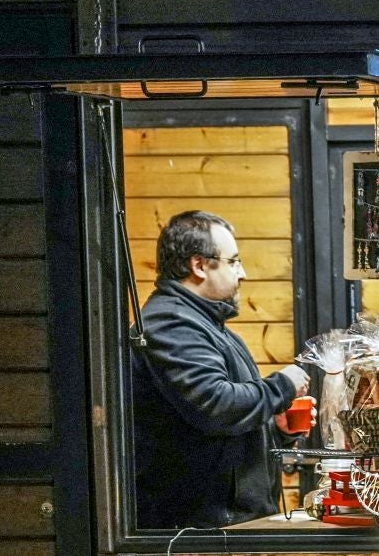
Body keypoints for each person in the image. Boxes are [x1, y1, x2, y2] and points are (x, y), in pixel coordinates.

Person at [132, 210, 310, 529]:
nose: (243, 273)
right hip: (201, 532)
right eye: (234, 261)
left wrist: (276, 428)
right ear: (199, 265)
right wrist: (282, 386)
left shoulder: (206, 326)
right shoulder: (171, 324)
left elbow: (222, 427)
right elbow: (216, 405)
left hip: (226, 525)